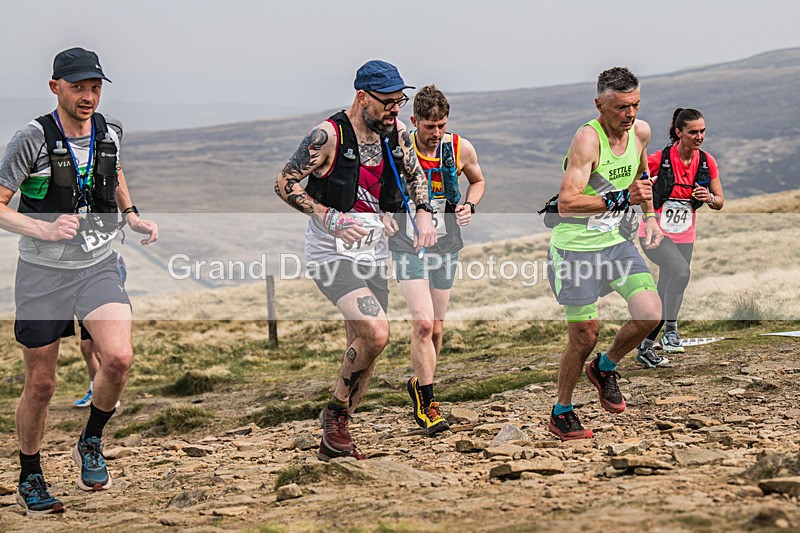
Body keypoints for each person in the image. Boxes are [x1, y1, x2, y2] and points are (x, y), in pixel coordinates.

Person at [0, 47, 158, 515]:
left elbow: (116, 171)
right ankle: (30, 474)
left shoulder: (109, 129)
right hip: (42, 274)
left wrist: (130, 214)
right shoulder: (31, 138)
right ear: (55, 88)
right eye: (78, 87)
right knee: (43, 384)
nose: (88, 96)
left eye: (95, 87)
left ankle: (91, 441)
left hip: (97, 263)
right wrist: (44, 228)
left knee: (119, 358)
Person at [274, 60, 437, 460]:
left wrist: (422, 212)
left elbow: (415, 174)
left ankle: (335, 439)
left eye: (400, 101)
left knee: (365, 347)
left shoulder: (394, 132)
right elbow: (284, 183)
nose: (395, 110)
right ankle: (335, 415)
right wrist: (328, 217)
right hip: (330, 252)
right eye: (387, 103)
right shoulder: (328, 135)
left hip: (372, 251)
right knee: (377, 332)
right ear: (362, 97)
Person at [545, 67, 663, 441]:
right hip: (575, 249)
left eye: (635, 105)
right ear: (600, 104)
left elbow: (641, 180)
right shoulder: (587, 140)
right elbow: (566, 203)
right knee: (584, 336)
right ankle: (561, 411)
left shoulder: (640, 132)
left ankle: (605, 367)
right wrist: (618, 199)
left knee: (651, 315)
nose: (629, 114)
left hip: (615, 245)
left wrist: (650, 219)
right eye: (621, 107)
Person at [384, 85, 485, 435]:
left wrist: (469, 204)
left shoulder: (459, 147)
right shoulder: (399, 149)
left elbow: (478, 180)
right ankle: (427, 404)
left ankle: (422, 385)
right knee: (423, 325)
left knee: (438, 328)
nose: (436, 133)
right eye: (429, 127)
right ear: (414, 122)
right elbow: (379, 189)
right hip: (406, 244)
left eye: (442, 125)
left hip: (446, 245)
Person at [635, 108, 724, 364]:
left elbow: (720, 202)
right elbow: (634, 182)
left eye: (702, 131)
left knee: (668, 284)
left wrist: (709, 198)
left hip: (684, 235)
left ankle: (645, 346)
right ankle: (670, 331)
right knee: (681, 272)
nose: (699, 137)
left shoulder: (707, 161)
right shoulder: (658, 159)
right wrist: (644, 185)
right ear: (678, 132)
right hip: (654, 233)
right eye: (693, 132)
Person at [75, 252, 127, 408]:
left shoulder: (111, 256)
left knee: (99, 351)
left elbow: (118, 280)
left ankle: (107, 395)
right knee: (86, 349)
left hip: (98, 303)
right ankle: (94, 390)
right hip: (84, 300)